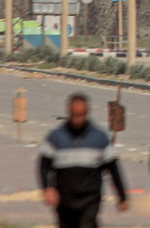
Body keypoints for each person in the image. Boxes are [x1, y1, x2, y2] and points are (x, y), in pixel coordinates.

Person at [39, 93, 128, 228]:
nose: (77, 119)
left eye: (80, 115)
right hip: (64, 200)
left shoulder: (99, 138)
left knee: (87, 224)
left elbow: (113, 168)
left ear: (87, 113)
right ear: (69, 112)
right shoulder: (56, 137)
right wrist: (47, 188)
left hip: (89, 199)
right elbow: (44, 165)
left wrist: (122, 197)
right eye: (74, 115)